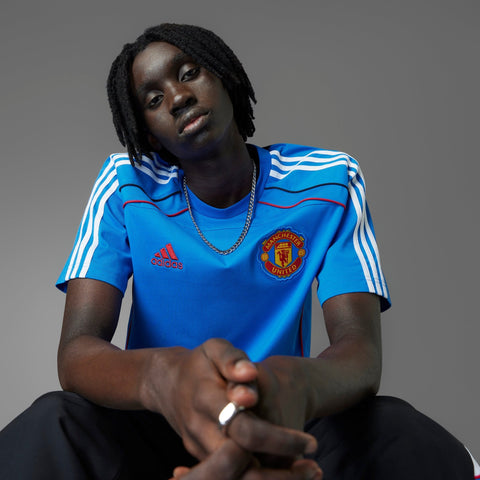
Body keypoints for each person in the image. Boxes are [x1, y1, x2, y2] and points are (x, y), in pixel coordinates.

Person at [0, 23, 478, 480]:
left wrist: (291, 386)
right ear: (147, 134)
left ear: (225, 76)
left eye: (189, 72)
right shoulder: (126, 184)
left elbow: (360, 350)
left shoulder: (329, 180)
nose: (178, 97)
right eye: (153, 99)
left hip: (282, 421)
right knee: (53, 422)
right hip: (160, 427)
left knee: (393, 429)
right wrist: (162, 377)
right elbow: (77, 351)